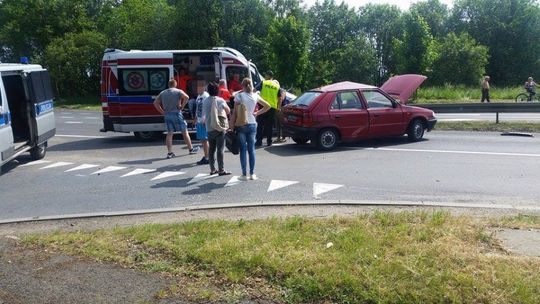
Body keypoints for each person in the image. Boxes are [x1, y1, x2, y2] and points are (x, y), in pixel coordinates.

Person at [230, 78, 271, 181]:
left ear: (242, 86)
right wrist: (257, 113)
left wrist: (231, 127)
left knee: (243, 149)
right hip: (252, 124)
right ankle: (252, 173)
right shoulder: (255, 96)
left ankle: (244, 174)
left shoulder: (239, 96)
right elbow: (268, 106)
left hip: (241, 124)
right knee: (251, 149)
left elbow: (234, 113)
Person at [153, 79, 199, 159]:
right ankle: (191, 149)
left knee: (169, 133)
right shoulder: (178, 91)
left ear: (168, 85)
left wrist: (162, 112)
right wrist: (182, 106)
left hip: (167, 114)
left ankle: (170, 153)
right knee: (184, 131)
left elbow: (155, 103)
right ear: (175, 84)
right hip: (177, 113)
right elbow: (187, 97)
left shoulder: (163, 93)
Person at [203, 82, 231, 176]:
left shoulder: (205, 101)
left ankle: (212, 169)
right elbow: (228, 111)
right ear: (217, 90)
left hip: (209, 127)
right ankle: (221, 170)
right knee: (220, 149)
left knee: (211, 149)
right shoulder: (220, 100)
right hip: (220, 127)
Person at [255, 70, 281, 147]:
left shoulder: (264, 82)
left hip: (263, 106)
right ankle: (269, 142)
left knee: (260, 124)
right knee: (269, 125)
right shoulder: (277, 85)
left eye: (265, 75)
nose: (265, 76)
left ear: (268, 76)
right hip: (272, 108)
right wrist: (278, 108)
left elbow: (254, 90)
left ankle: (259, 142)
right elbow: (280, 98)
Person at [194, 80, 210, 165]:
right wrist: (196, 117)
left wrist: (205, 119)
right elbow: (198, 108)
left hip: (204, 121)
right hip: (199, 120)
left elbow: (208, 108)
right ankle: (206, 156)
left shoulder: (206, 96)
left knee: (205, 140)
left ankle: (207, 157)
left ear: (204, 87)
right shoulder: (199, 96)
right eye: (197, 87)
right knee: (203, 140)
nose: (197, 88)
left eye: (199, 87)